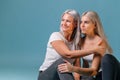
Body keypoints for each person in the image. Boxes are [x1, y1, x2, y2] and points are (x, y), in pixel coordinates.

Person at [38, 10, 104, 80]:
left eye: (68, 21)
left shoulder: (77, 42)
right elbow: (67, 54)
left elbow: (76, 66)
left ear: (75, 24)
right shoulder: (55, 36)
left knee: (87, 77)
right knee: (62, 62)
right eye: (63, 20)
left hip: (60, 77)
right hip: (46, 76)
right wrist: (94, 50)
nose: (64, 23)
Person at [58, 11, 113, 80]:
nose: (82, 25)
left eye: (86, 22)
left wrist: (73, 69)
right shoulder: (80, 41)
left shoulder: (100, 42)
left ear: (95, 25)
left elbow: (94, 71)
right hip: (89, 74)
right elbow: (82, 65)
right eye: (81, 22)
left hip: (101, 75)